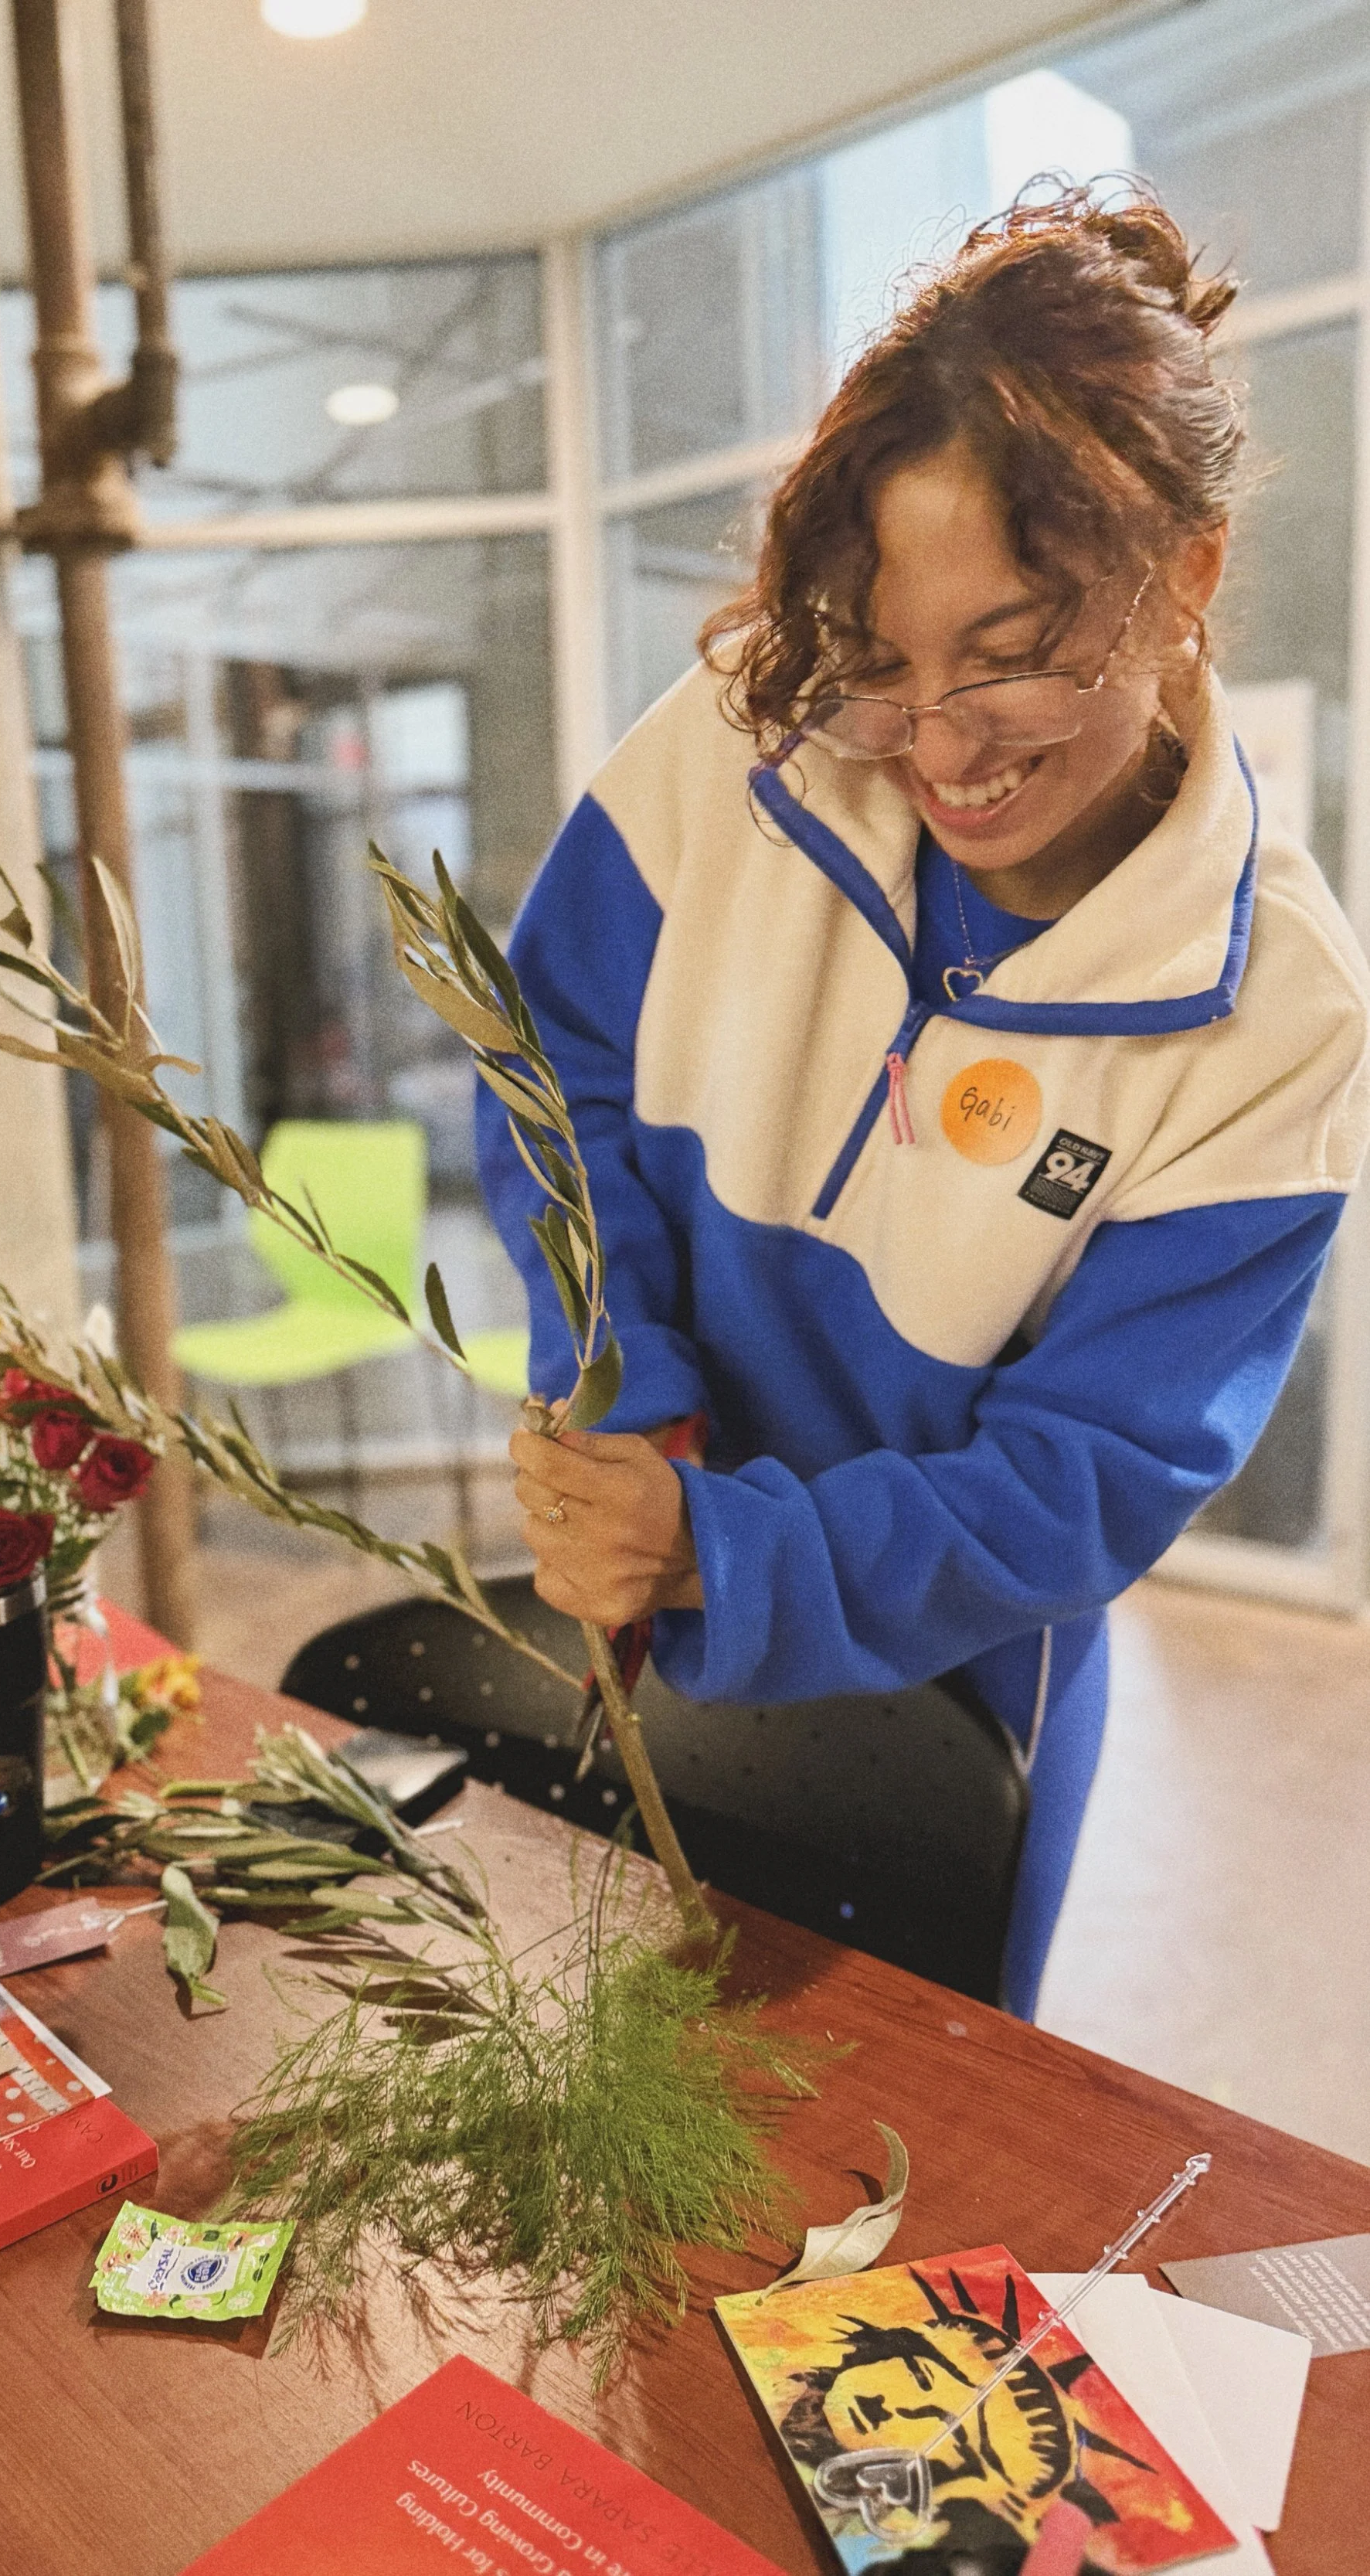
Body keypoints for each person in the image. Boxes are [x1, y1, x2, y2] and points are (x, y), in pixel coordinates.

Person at [478, 189, 1370, 2019]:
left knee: (894, 2155)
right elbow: (545, 1065)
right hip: (648, 1562)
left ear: (1183, 574)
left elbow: (1083, 1480)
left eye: (1013, 653)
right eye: (885, 662)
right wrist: (629, 1402)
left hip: (950, 1690)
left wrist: (721, 1548)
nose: (942, 749)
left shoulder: (1275, 1011)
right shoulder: (747, 729)